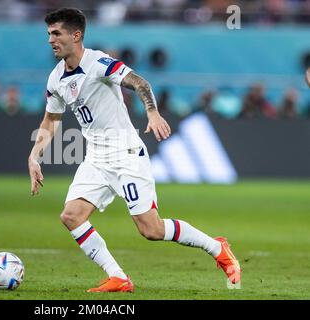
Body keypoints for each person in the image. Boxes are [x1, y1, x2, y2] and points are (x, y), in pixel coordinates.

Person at [28, 8, 241, 293]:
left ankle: (217, 247)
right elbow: (51, 119)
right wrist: (34, 155)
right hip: (96, 158)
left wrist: (152, 113)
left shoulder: (98, 63)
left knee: (150, 230)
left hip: (126, 153)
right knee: (71, 216)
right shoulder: (56, 78)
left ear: (76, 35)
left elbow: (140, 83)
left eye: (56, 33)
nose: (51, 40)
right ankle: (118, 277)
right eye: (49, 34)